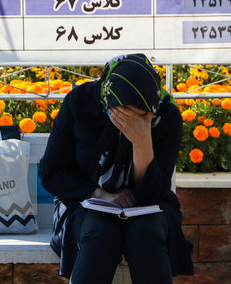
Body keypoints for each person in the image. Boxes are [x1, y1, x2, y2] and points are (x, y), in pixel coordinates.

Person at [39, 53, 194, 283]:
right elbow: (52, 172)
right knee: (100, 231)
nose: (135, 123)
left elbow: (155, 189)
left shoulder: (166, 115)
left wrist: (142, 142)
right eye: (124, 117)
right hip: (82, 201)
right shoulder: (80, 102)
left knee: (145, 232)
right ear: (111, 106)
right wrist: (99, 195)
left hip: (147, 205)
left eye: (144, 117)